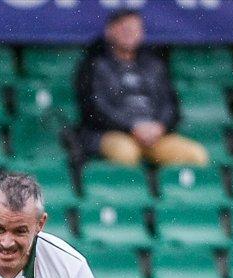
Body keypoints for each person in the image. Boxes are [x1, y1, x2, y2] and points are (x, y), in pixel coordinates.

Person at [75, 9, 208, 166]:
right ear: (109, 31)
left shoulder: (154, 65)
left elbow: (170, 105)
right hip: (112, 134)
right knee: (125, 153)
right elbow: (96, 108)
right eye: (125, 29)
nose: (130, 33)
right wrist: (132, 127)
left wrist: (160, 126)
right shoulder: (94, 65)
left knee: (196, 154)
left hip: (155, 136)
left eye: (135, 29)